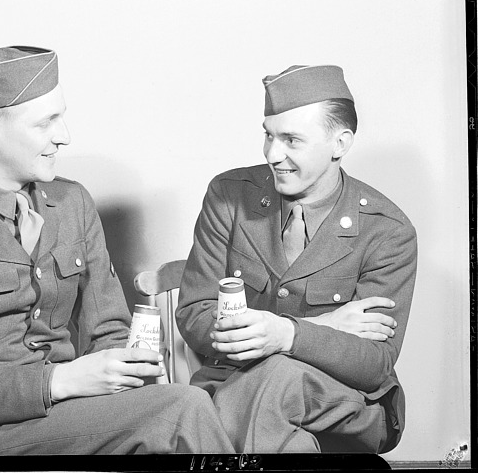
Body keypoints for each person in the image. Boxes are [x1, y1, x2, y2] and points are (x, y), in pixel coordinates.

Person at [0, 45, 235, 456]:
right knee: (182, 411)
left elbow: (108, 331)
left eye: (61, 117)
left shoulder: (71, 203)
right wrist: (63, 381)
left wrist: (121, 369)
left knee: (177, 408)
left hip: (70, 415)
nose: (63, 136)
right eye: (45, 123)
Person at [176, 64, 417, 454]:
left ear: (339, 144)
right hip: (231, 386)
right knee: (289, 443)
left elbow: (374, 362)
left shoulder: (387, 231)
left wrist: (285, 334)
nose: (273, 154)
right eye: (268, 135)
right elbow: (193, 313)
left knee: (277, 377)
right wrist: (320, 326)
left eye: (291, 139)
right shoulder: (228, 196)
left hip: (342, 399)